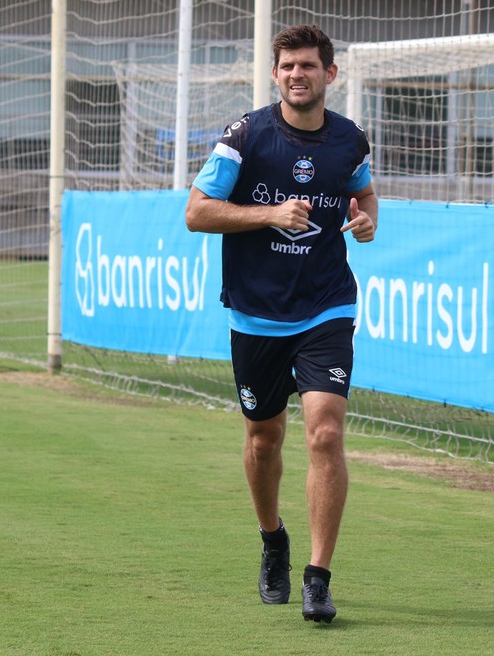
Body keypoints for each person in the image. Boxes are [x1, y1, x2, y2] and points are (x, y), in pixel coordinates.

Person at [185, 24, 378, 624]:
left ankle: (318, 578)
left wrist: (368, 222)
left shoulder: (350, 139)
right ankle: (273, 540)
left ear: (330, 75)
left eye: (309, 66)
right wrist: (270, 213)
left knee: (325, 432)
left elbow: (364, 197)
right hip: (256, 314)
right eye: (288, 65)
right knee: (263, 439)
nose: (299, 74)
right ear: (276, 74)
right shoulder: (245, 136)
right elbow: (196, 212)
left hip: (326, 307)